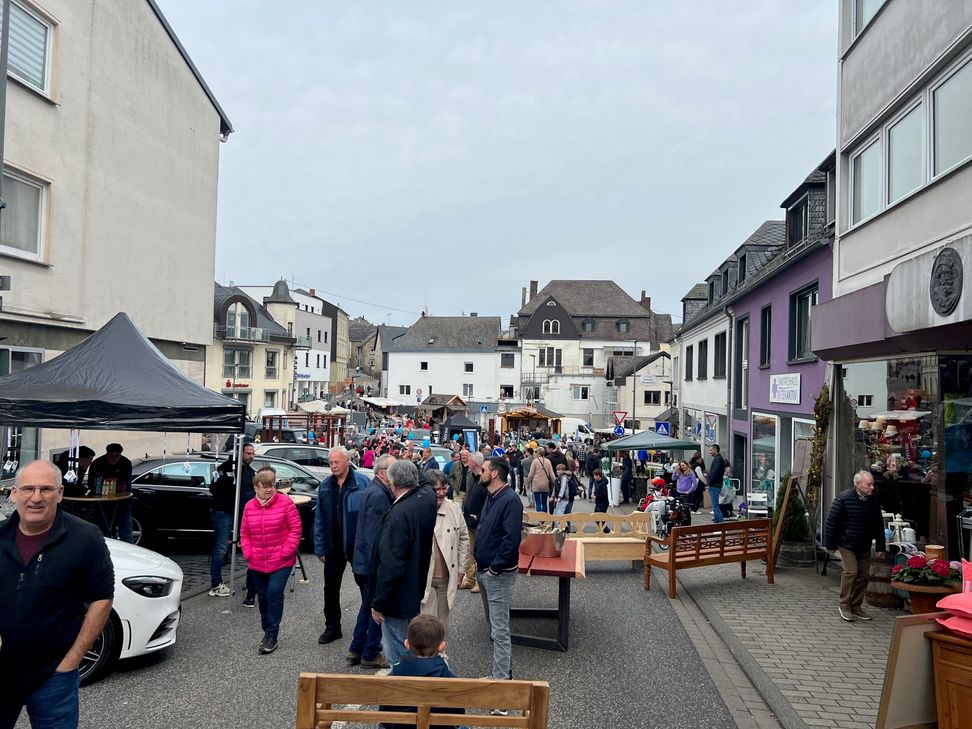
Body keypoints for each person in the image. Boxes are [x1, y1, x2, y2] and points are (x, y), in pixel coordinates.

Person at [0, 461, 114, 729]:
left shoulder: (85, 537)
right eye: (28, 489)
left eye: (46, 489)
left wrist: (73, 659)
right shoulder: (0, 535)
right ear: (14, 492)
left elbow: (102, 597)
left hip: (54, 672)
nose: (36, 498)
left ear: (60, 493)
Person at [371, 459, 437, 666]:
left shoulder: (398, 514)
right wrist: (412, 465)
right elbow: (426, 482)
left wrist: (378, 603)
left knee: (396, 651)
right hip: (415, 584)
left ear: (392, 482)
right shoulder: (426, 498)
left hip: (398, 596)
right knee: (410, 644)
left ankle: (401, 694)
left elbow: (391, 564)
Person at [240, 467, 302, 655]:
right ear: (256, 488)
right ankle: (267, 630)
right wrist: (248, 552)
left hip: (280, 560)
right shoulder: (249, 506)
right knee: (263, 597)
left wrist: (286, 551)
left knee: (274, 593)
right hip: (257, 560)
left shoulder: (285, 503)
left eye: (271, 485)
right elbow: (244, 532)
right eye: (264, 486)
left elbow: (295, 529)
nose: (268, 489)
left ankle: (272, 634)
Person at [314, 446, 370, 645]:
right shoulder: (326, 485)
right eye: (330, 463)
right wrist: (319, 546)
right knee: (330, 589)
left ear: (347, 461)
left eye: (337, 462)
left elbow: (371, 517)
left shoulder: (363, 483)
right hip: (333, 546)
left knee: (366, 587)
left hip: (357, 546)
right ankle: (332, 627)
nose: (333, 466)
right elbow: (319, 517)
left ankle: (369, 628)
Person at [475, 457, 523, 682]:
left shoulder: (510, 500)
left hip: (498, 573)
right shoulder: (491, 496)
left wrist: (495, 567)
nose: (480, 473)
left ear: (494, 474)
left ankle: (502, 681)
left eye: (483, 470)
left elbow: (511, 538)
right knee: (494, 626)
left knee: (500, 629)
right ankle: (501, 673)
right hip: (485, 570)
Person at [348, 454, 396, 669]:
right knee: (377, 608)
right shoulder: (379, 495)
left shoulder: (374, 490)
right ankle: (370, 653)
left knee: (367, 606)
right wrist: (380, 566)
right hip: (370, 564)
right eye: (394, 470)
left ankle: (356, 649)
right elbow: (376, 535)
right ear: (383, 473)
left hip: (364, 561)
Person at [380, 614, 466, 728]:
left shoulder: (395, 674)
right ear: (441, 646)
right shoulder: (449, 678)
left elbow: (384, 714)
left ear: (407, 644)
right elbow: (458, 715)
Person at [824, 471, 886, 622]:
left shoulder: (874, 499)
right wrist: (830, 544)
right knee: (851, 572)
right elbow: (831, 523)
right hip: (846, 542)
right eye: (868, 484)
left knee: (864, 575)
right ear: (857, 485)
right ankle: (844, 605)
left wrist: (880, 547)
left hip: (864, 542)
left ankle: (856, 605)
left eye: (873, 484)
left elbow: (879, 524)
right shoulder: (843, 499)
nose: (872, 487)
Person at [420, 471, 470, 633]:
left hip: (446, 578)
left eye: (444, 488)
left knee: (442, 626)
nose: (441, 493)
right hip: (423, 579)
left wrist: (462, 570)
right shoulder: (417, 508)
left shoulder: (454, 509)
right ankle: (424, 657)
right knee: (424, 627)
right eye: (437, 490)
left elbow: (464, 539)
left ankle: (439, 655)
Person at [209, 442, 257, 604]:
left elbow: (251, 491)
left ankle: (251, 581)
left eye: (253, 453)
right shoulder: (226, 468)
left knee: (246, 546)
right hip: (224, 512)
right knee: (221, 547)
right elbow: (214, 488)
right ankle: (216, 583)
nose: (251, 456)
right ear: (240, 452)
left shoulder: (250, 472)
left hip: (241, 513)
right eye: (248, 453)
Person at [87, 443, 134, 542]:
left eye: (117, 456)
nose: (114, 459)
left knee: (125, 529)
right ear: (107, 454)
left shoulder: (125, 463)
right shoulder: (97, 463)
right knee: (103, 528)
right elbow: (91, 483)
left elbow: (126, 485)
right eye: (111, 456)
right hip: (102, 503)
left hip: (122, 503)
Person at [459, 452, 486, 592]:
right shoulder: (473, 478)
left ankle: (478, 581)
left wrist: (480, 516)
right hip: (469, 521)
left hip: (479, 523)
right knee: (469, 552)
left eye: (469, 461)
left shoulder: (484, 479)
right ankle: (469, 579)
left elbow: (488, 501)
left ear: (474, 463)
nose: (467, 463)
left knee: (479, 553)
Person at [526, 448, 554, 513]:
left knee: (538, 502)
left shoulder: (535, 461)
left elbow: (531, 474)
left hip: (536, 484)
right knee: (544, 502)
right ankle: (544, 518)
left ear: (538, 453)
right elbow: (552, 475)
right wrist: (555, 483)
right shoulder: (548, 461)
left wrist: (528, 483)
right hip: (545, 484)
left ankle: (539, 518)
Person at [706, 444, 728, 524]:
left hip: (715, 485)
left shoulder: (718, 459)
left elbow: (714, 472)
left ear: (715, 450)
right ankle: (716, 519)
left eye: (711, 450)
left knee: (715, 505)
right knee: (715, 504)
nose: (709, 452)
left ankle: (720, 523)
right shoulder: (719, 459)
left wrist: (709, 482)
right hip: (716, 484)